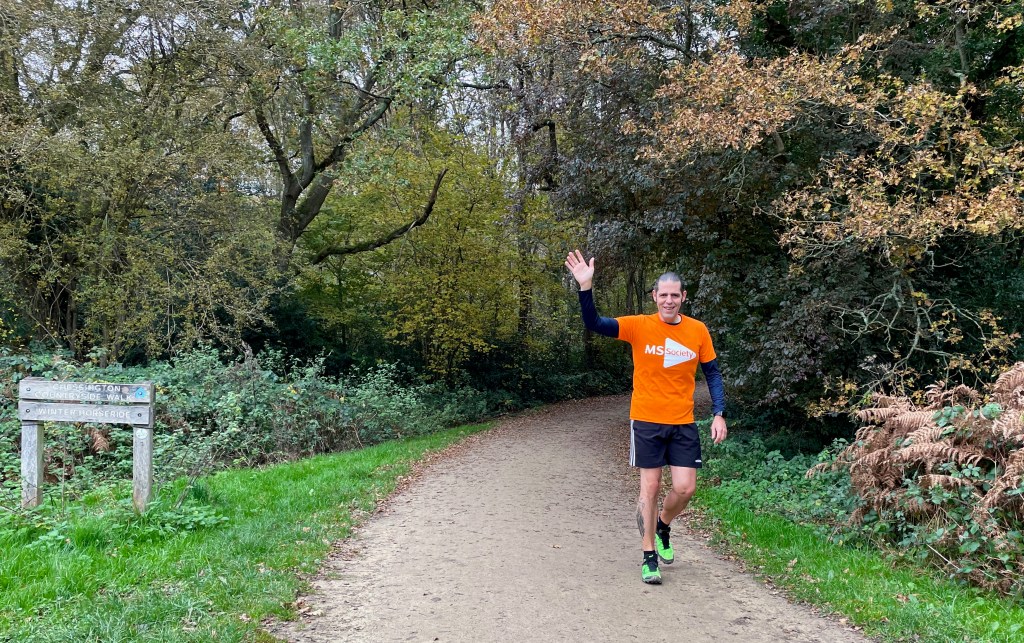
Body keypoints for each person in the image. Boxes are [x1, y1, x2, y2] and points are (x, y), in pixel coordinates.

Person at [565, 249, 727, 584]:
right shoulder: (639, 326)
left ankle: (663, 525)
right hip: (647, 420)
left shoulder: (698, 331)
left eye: (674, 296)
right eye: (663, 295)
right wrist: (585, 287)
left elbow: (712, 373)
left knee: (685, 488)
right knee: (650, 488)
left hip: (682, 422)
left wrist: (718, 413)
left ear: (683, 297)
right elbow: (594, 323)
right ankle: (649, 555)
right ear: (654, 296)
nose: (669, 301)